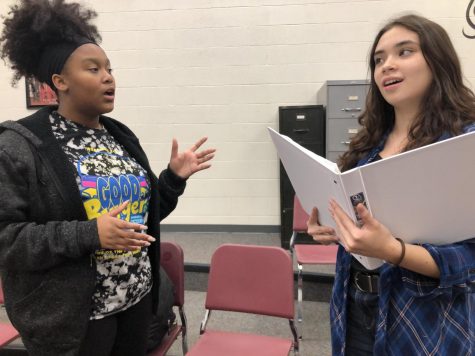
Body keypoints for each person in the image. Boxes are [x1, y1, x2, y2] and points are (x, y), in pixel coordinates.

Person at [0, 0, 215, 355]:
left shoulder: (119, 136)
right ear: (60, 81)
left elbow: (141, 220)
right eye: (93, 69)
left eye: (109, 68)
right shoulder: (20, 146)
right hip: (74, 320)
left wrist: (173, 178)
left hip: (136, 303)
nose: (108, 77)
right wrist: (90, 233)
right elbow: (6, 240)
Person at [307, 14, 475, 355]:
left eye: (405, 52)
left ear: (438, 61)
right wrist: (334, 227)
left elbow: (469, 258)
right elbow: (366, 231)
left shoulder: (464, 143)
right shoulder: (367, 146)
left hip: (426, 320)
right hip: (354, 305)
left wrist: (393, 251)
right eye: (378, 59)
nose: (387, 66)